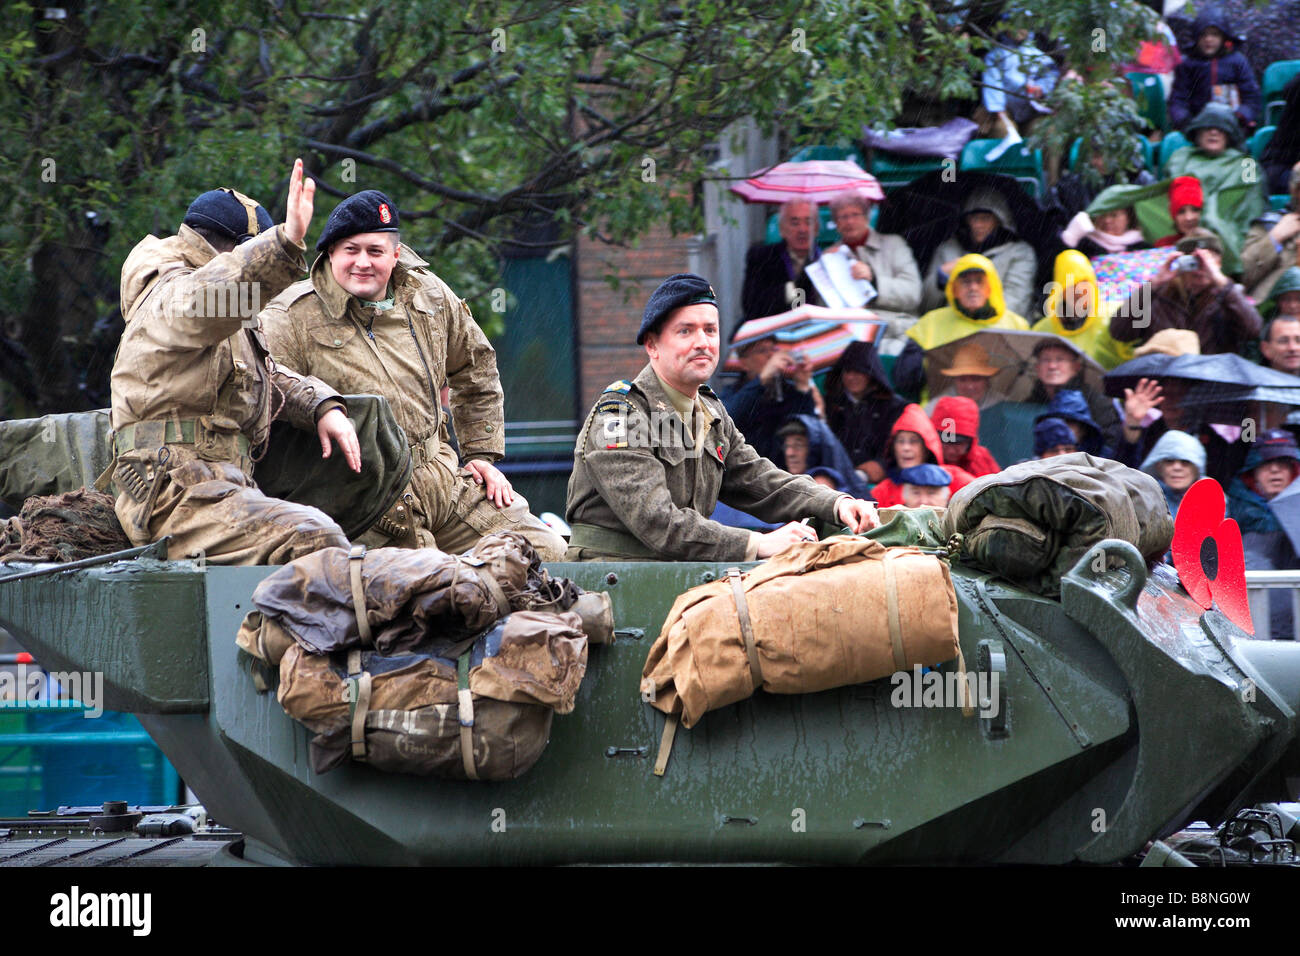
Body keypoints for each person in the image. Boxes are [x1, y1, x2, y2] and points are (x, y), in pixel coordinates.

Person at [259, 189, 565, 559]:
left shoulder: (428, 295)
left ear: (396, 254)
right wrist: (318, 405)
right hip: (362, 494)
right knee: (428, 589)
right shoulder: (292, 314)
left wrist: (481, 453)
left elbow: (476, 366)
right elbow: (264, 379)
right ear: (330, 254)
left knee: (545, 553)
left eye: (375, 251)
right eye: (350, 250)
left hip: (442, 476)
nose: (362, 263)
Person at [109, 160, 361, 565]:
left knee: (337, 535)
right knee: (313, 539)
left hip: (218, 488)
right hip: (172, 496)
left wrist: (319, 405)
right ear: (238, 252)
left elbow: (257, 376)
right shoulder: (167, 295)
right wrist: (283, 243)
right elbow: (203, 301)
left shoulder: (222, 317)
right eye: (252, 253)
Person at [564, 273, 878, 561]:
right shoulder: (621, 415)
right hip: (613, 584)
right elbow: (658, 523)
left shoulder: (709, 411)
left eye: (710, 330)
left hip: (675, 574)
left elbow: (759, 480)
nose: (702, 342)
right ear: (652, 345)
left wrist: (835, 503)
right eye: (685, 331)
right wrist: (758, 544)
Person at [894, 254, 1031, 400]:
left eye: (980, 282)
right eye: (965, 282)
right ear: (953, 290)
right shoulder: (930, 323)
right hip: (940, 414)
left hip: (999, 417)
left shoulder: (1017, 325)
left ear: (991, 287)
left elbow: (1028, 381)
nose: (973, 288)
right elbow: (904, 380)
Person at [1109, 232, 1263, 355]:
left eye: (1205, 261)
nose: (1199, 268)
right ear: (1181, 262)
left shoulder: (1229, 296)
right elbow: (1120, 332)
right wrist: (1153, 285)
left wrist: (1221, 282)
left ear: (1219, 264)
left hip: (1212, 383)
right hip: (1166, 380)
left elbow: (1253, 330)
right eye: (1192, 261)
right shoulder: (1157, 297)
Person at [822, 191, 923, 352]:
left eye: (855, 214)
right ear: (835, 222)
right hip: (849, 334)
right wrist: (826, 268)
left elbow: (913, 294)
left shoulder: (894, 245)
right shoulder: (829, 255)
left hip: (894, 332)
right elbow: (824, 310)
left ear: (867, 217)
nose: (849, 221)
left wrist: (874, 281)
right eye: (843, 217)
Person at [919, 189, 1039, 320]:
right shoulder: (948, 250)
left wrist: (975, 321)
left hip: (1001, 330)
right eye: (973, 218)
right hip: (953, 329)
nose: (978, 225)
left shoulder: (1020, 252)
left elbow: (1016, 304)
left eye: (985, 219)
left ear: (999, 221)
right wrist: (940, 278)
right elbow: (926, 305)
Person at [1163, 103, 1266, 247]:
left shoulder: (1247, 164)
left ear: (1230, 134)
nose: (1214, 132)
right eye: (1208, 128)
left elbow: (1253, 205)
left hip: (1232, 232)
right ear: (1197, 132)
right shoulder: (1180, 158)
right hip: (1184, 231)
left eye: (1220, 128)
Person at [721, 331, 822, 464]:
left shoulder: (788, 391)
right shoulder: (732, 392)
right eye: (762, 351)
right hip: (748, 471)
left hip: (785, 473)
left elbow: (809, 429)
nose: (771, 355)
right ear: (743, 362)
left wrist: (803, 385)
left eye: (774, 349)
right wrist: (762, 380)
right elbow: (728, 419)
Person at [822, 340, 908, 483]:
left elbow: (896, 448)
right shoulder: (830, 404)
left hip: (881, 480)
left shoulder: (895, 406)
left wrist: (873, 469)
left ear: (871, 373)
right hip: (834, 477)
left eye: (858, 372)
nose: (851, 377)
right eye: (847, 371)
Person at [1033, 250, 1134, 370]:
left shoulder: (1115, 315)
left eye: (1085, 282)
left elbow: (1131, 353)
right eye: (1073, 285)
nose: (1081, 291)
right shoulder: (1043, 330)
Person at [1167, 6, 1261, 132]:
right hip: (1196, 126)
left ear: (1224, 38)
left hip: (1232, 126)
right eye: (1203, 35)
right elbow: (1178, 100)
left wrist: (1240, 116)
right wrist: (1185, 121)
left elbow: (1251, 98)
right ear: (1196, 38)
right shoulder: (1188, 64)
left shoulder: (1237, 61)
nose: (1208, 39)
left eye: (1214, 35)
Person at [869, 404, 974, 508]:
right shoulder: (883, 491)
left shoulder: (955, 479)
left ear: (927, 447)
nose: (906, 448)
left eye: (913, 441)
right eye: (900, 441)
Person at [740, 199, 823, 321]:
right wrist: (794, 289)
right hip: (774, 329)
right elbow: (752, 305)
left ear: (816, 228)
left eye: (808, 222)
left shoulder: (826, 260)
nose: (802, 229)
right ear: (782, 229)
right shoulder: (762, 257)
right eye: (795, 223)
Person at [773, 415, 870, 498]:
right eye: (786, 446)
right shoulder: (779, 479)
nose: (790, 453)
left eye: (798, 445)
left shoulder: (821, 483)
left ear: (815, 449)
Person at [1241, 169, 1300, 302]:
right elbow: (1244, 274)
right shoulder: (1271, 224)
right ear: (1295, 191)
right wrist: (1274, 238)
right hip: (1272, 313)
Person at [1140, 430, 1205, 518]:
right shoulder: (1143, 499)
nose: (1177, 468)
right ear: (1158, 467)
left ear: (1197, 469)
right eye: (1169, 461)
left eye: (1185, 462)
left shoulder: (1213, 499)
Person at [930, 396, 1000, 478]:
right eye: (945, 442)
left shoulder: (981, 461)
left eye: (959, 443)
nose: (951, 451)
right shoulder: (920, 459)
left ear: (970, 442)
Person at [1059, 204, 1149, 259]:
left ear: (1128, 218)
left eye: (1114, 215)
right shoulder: (1084, 245)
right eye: (1102, 215)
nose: (1107, 221)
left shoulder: (1143, 249)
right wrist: (1070, 238)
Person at [933, 341, 1000, 407]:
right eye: (962, 379)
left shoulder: (1004, 409)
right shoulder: (938, 406)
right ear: (954, 381)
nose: (970, 386)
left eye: (976, 379)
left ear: (986, 380)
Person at [1154, 176, 1207, 247]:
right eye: (1181, 212)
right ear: (1174, 216)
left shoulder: (1211, 244)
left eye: (1195, 210)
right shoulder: (1163, 245)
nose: (1189, 218)